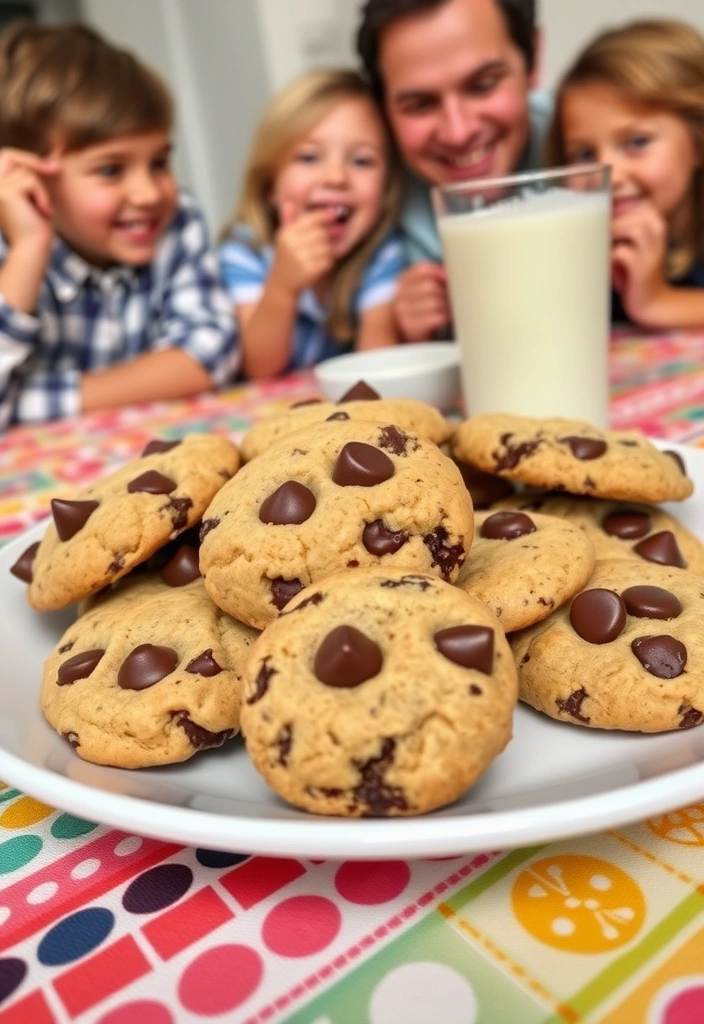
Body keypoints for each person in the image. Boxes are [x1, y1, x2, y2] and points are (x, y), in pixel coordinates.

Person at [0, 22, 238, 429]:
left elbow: (210, 357)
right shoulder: (13, 248)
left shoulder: (177, 219)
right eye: (111, 169)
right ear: (29, 175)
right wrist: (27, 251)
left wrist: (28, 399)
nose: (148, 193)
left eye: (159, 162)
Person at [357, 0, 551, 341]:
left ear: (533, 58)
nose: (458, 132)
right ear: (382, 108)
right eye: (420, 105)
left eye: (483, 84)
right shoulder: (367, 194)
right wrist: (397, 327)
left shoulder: (594, 145)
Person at [219, 68, 405, 380]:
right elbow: (260, 368)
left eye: (361, 161)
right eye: (308, 158)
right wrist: (282, 286)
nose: (335, 177)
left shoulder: (381, 252)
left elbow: (379, 357)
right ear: (268, 186)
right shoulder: (245, 251)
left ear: (385, 191)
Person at [545, 19, 704, 329]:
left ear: (698, 140)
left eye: (637, 143)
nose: (610, 176)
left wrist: (659, 301)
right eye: (585, 155)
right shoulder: (578, 251)